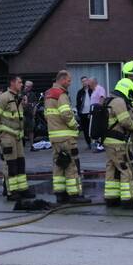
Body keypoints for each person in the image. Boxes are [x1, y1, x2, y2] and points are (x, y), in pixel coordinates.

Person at [44, 70, 91, 204]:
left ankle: (60, 194)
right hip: (66, 137)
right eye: (69, 81)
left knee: (59, 164)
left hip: (54, 137)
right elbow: (66, 114)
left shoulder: (48, 94)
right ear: (63, 80)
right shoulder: (61, 94)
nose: (70, 84)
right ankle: (74, 195)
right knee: (71, 165)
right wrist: (75, 126)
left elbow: (47, 115)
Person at [0, 76, 33, 201]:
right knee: (10, 164)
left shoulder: (17, 98)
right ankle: (11, 191)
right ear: (12, 83)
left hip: (17, 136)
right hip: (7, 136)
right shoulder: (4, 98)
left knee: (20, 163)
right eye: (20, 82)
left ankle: (22, 189)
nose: (22, 84)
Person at [103, 78, 133, 208]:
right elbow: (125, 122)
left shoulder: (109, 100)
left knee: (112, 168)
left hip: (109, 142)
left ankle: (111, 198)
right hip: (117, 143)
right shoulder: (118, 102)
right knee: (125, 170)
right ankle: (127, 200)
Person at [87, 77, 107, 151]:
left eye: (90, 83)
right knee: (95, 128)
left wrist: (99, 110)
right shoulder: (93, 91)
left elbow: (102, 98)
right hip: (93, 112)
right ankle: (98, 144)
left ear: (94, 83)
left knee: (99, 128)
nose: (89, 85)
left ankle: (101, 145)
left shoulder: (100, 88)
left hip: (98, 112)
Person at [75, 76, 93, 149]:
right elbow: (78, 103)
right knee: (85, 130)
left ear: (88, 81)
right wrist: (79, 112)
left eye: (85, 81)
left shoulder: (92, 90)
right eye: (83, 81)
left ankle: (95, 143)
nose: (84, 82)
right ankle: (89, 144)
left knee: (92, 128)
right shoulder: (80, 92)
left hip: (91, 113)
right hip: (83, 113)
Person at [21, 80, 36, 150]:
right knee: (21, 130)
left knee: (31, 130)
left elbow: (35, 104)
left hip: (30, 115)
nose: (27, 87)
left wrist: (34, 114)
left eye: (29, 86)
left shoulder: (32, 94)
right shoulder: (20, 93)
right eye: (26, 86)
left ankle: (32, 145)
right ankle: (21, 144)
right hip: (22, 115)